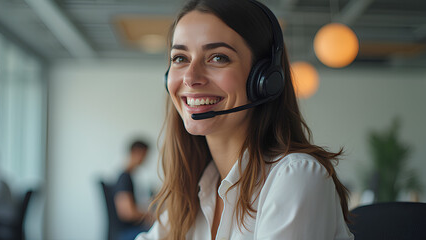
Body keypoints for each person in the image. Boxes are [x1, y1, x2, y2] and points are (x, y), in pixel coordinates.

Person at [136, 0, 354, 239]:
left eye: (218, 57)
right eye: (180, 58)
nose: (190, 77)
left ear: (264, 80)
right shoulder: (193, 190)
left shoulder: (296, 176)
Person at [113, 140, 153, 240]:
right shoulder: (124, 178)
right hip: (126, 232)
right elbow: (127, 212)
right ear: (136, 152)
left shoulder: (129, 176)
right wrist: (149, 215)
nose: (145, 159)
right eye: (144, 155)